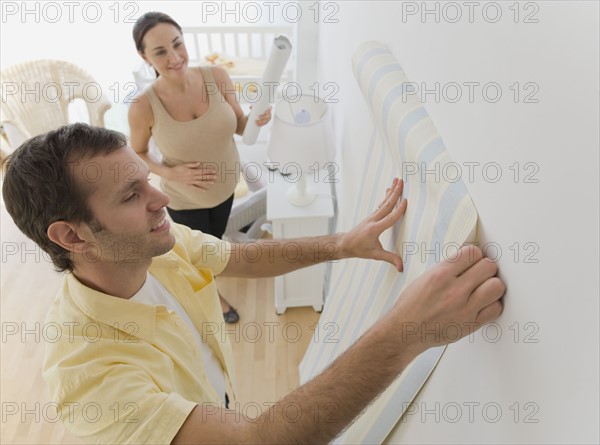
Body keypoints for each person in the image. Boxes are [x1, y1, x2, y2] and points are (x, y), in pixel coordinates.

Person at [2, 124, 505, 444]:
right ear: (72, 236)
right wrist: (409, 331)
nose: (161, 198)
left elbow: (238, 257)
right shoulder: (91, 378)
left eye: (147, 179)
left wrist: (342, 244)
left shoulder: (157, 244)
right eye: (132, 195)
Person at [128, 12, 272, 323]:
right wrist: (171, 173)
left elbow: (239, 124)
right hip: (185, 198)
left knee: (215, 240)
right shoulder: (143, 106)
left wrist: (256, 119)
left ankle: (207, 280)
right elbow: (136, 152)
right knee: (198, 255)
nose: (175, 57)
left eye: (177, 44)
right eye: (160, 52)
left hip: (226, 188)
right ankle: (211, 297)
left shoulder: (217, 77)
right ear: (144, 56)